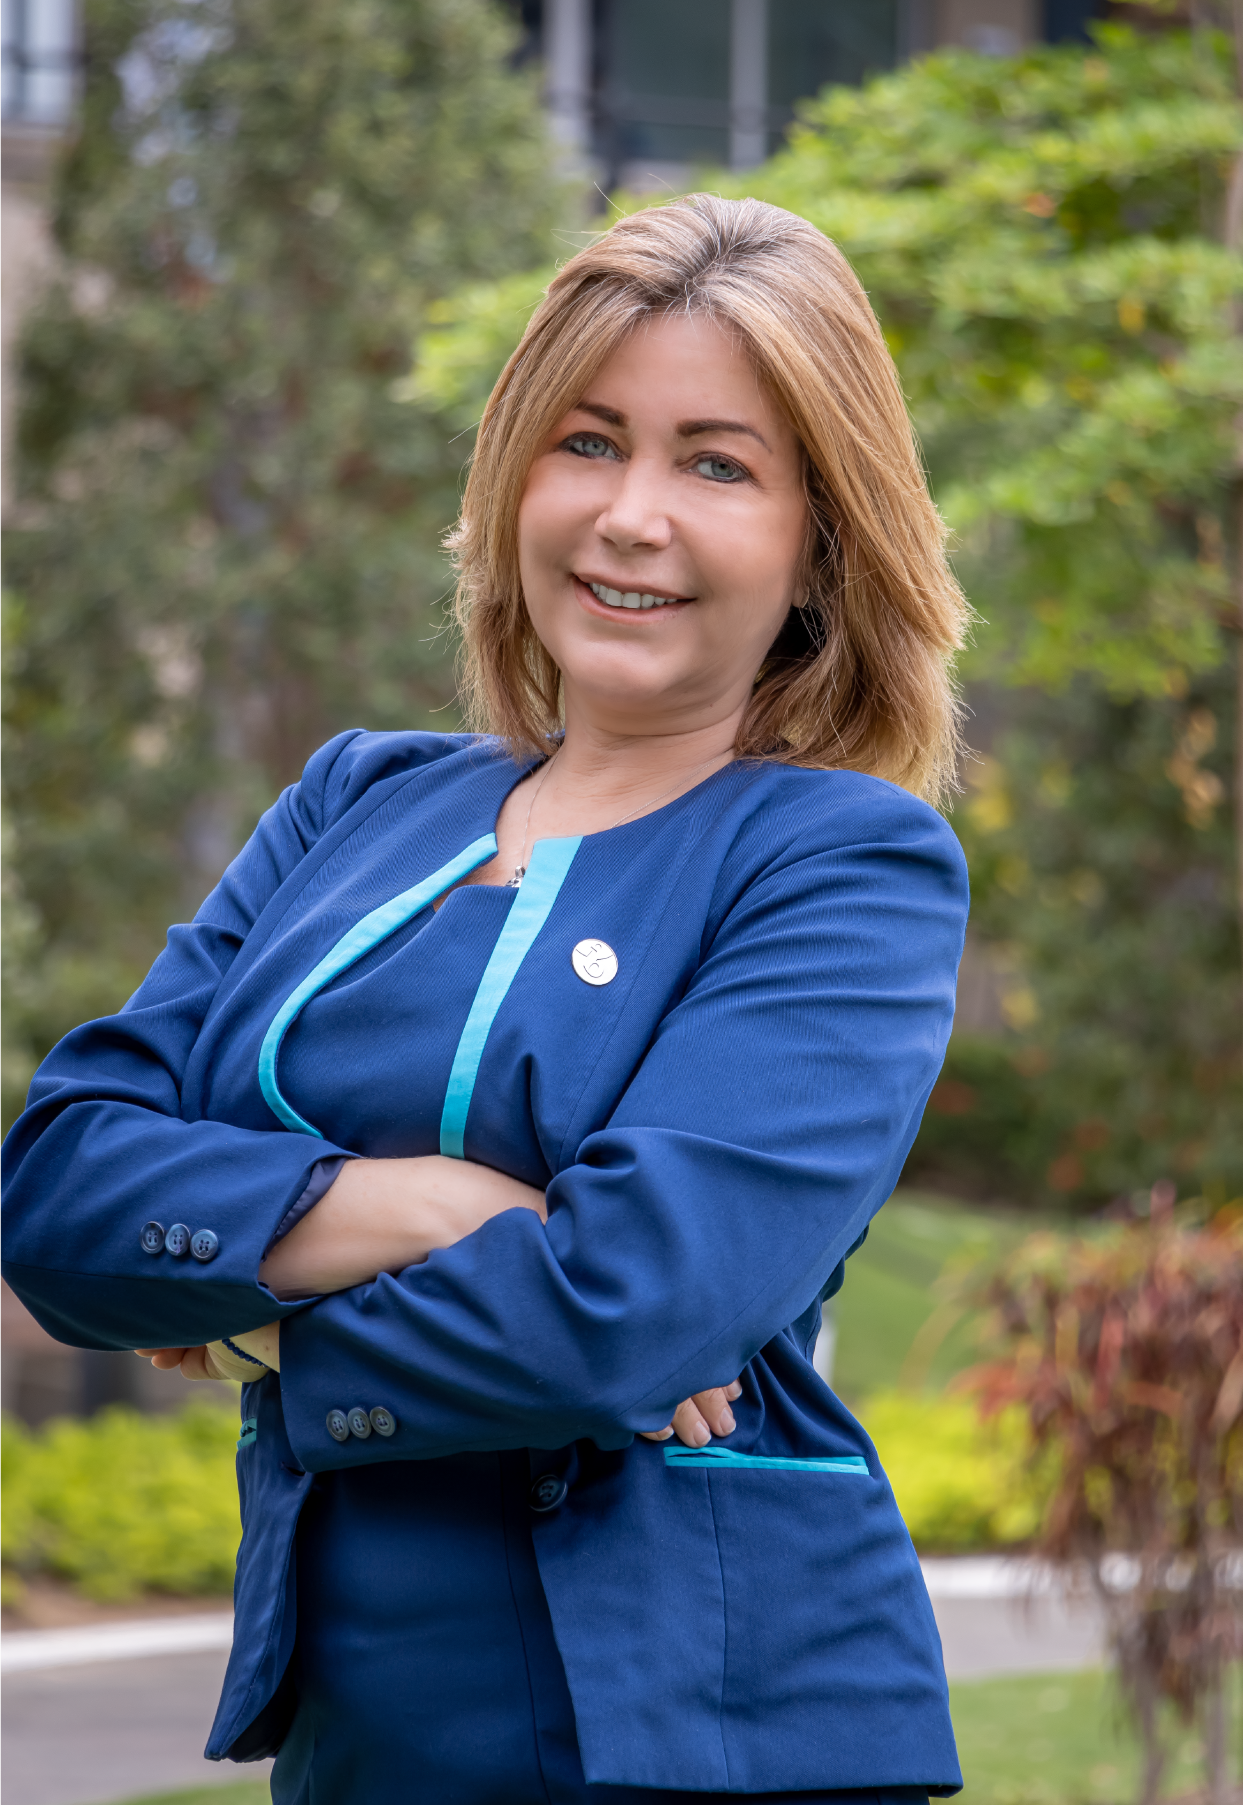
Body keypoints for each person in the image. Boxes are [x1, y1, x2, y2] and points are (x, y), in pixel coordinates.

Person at [0, 195, 970, 1803]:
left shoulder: (843, 863)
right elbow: (58, 1192)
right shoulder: (356, 802)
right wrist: (434, 1207)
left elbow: (625, 1310)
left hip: (691, 1738)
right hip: (363, 1730)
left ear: (819, 538)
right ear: (513, 472)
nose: (629, 517)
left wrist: (246, 1318)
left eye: (716, 466)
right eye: (587, 442)